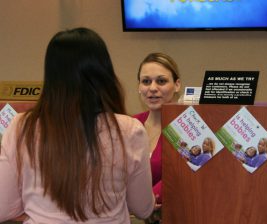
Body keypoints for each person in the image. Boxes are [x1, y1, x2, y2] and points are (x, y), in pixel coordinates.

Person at [0, 27, 155, 223]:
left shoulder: (21, 126)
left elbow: (3, 208)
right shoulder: (130, 130)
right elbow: (143, 208)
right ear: (103, 73)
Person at [133, 52, 181, 222]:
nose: (152, 88)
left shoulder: (186, 128)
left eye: (161, 81)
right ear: (139, 86)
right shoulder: (129, 125)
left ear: (177, 85)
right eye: (146, 81)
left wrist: (148, 200)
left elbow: (180, 176)